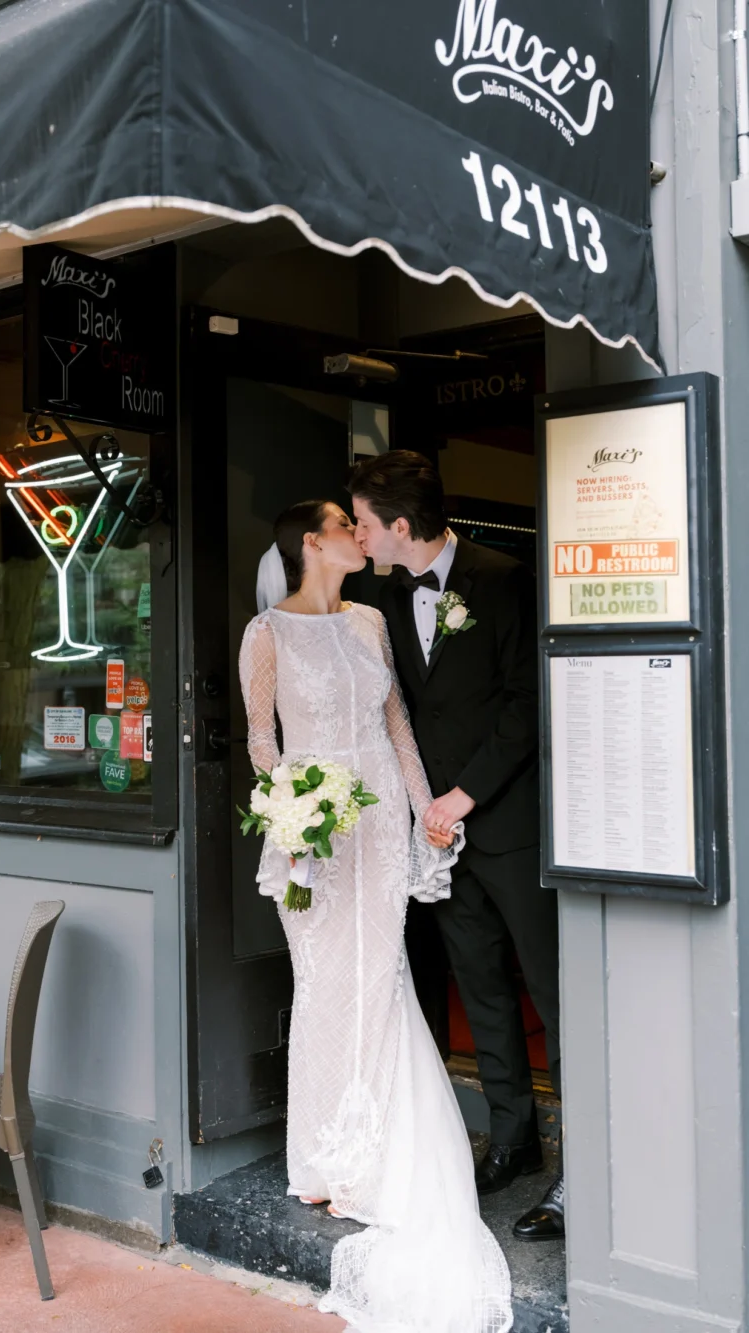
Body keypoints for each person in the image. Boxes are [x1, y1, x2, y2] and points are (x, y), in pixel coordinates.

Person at [240, 499, 512, 1333]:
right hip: (316, 825)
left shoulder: (368, 619)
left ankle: (377, 1146)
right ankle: (326, 1158)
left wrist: (429, 810)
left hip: (382, 816)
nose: (360, 536)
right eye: (342, 524)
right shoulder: (266, 633)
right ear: (310, 543)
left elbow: (395, 721)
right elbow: (260, 737)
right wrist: (291, 812)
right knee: (328, 981)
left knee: (382, 973)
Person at [348, 450, 563, 1243]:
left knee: (550, 989)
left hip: (508, 825)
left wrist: (463, 796)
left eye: (366, 523)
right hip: (438, 840)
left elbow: (525, 705)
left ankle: (582, 1164)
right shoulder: (376, 592)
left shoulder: (505, 577)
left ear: (401, 525)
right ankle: (513, 1141)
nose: (361, 536)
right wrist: (421, 811)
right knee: (481, 989)